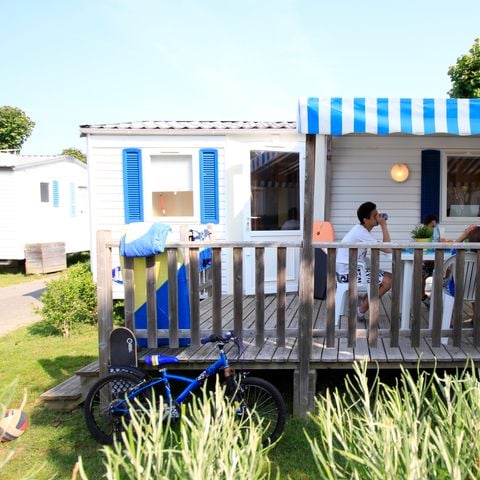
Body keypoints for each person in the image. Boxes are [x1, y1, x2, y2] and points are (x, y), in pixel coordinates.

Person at [336, 201, 393, 322]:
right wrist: (383, 226)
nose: (378, 217)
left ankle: (364, 300)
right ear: (365, 220)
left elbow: (385, 247)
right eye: (375, 215)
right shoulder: (360, 232)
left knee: (390, 277)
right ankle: (361, 309)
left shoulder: (362, 231)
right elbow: (388, 248)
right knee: (388, 281)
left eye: (378, 214)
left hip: (351, 269)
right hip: (348, 273)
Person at [421, 213, 439, 307]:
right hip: (424, 261)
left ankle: (439, 295)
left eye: (435, 226)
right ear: (426, 225)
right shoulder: (421, 235)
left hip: (434, 260)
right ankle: (423, 297)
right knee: (421, 273)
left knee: (446, 268)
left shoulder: (436, 234)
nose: (434, 228)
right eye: (432, 226)